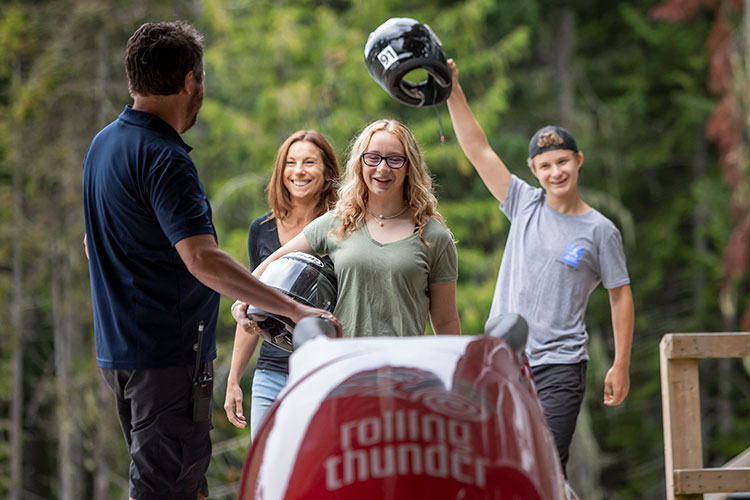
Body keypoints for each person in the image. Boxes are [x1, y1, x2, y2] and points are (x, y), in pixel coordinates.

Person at [82, 22, 339, 500]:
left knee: (183, 483)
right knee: (166, 489)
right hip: (167, 358)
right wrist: (293, 309)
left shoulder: (103, 146)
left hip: (120, 355)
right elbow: (202, 259)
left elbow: (90, 242)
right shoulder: (164, 157)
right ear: (190, 82)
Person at [445, 59, 634, 476]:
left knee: (545, 465)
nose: (556, 172)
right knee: (499, 463)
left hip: (560, 367)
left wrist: (620, 364)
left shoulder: (600, 230)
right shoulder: (523, 203)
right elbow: (478, 150)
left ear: (578, 160)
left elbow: (620, 295)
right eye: (546, 165)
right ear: (533, 170)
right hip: (502, 358)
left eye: (563, 161)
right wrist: (453, 88)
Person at [247, 119, 461, 341]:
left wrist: (456, 370)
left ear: (410, 167)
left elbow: (445, 320)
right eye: (373, 157)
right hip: (344, 366)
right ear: (360, 163)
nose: (382, 168)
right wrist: (242, 304)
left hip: (404, 369)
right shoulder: (338, 222)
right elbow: (266, 269)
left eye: (395, 159)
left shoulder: (434, 236)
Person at [223, 130, 340, 436]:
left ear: (328, 173)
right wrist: (234, 378)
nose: (298, 171)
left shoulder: (343, 227)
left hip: (325, 371)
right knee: (266, 472)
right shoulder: (260, 229)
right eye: (291, 162)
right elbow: (250, 303)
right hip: (271, 373)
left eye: (309, 162)